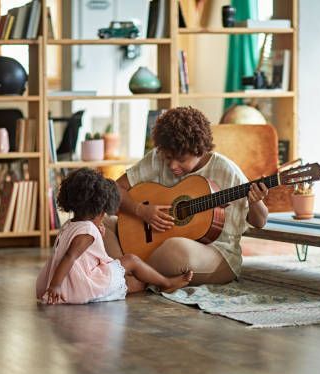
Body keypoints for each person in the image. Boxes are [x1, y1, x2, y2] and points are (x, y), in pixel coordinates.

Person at [103, 106, 269, 285]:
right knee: (102, 223)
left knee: (176, 249)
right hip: (155, 246)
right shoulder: (157, 158)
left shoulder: (226, 170)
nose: (173, 165)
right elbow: (115, 188)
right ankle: (128, 277)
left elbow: (260, 221)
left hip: (216, 254)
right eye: (168, 157)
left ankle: (124, 277)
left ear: (199, 150)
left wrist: (256, 202)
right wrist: (140, 210)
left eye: (181, 160)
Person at [36, 168, 193, 305]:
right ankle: (166, 283)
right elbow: (69, 257)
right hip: (79, 286)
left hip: (70, 282)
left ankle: (153, 283)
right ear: (100, 210)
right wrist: (55, 286)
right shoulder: (87, 232)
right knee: (131, 261)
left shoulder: (70, 225)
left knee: (133, 281)